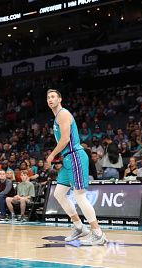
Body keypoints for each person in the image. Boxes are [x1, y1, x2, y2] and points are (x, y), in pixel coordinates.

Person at [46, 89, 107, 246]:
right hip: (67, 159)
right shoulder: (56, 118)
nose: (50, 99)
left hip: (75, 156)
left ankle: (98, 233)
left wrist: (52, 155)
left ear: (60, 99)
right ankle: (79, 226)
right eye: (48, 97)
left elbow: (66, 139)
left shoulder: (63, 114)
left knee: (79, 195)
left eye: (53, 96)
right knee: (59, 193)